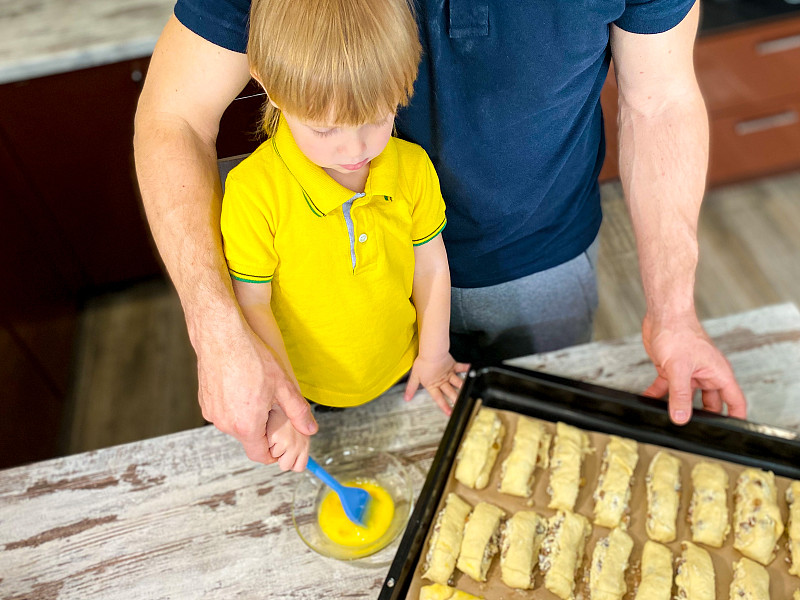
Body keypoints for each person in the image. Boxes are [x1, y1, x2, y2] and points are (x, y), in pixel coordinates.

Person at [134, 0, 747, 466]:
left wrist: (673, 311)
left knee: (531, 458)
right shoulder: (261, 195)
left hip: (542, 265)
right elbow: (174, 116)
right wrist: (218, 334)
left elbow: (661, 99)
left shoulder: (414, 177)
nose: (354, 147)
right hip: (330, 308)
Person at [220, 0, 467, 471]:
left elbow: (431, 264)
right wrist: (287, 403)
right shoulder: (254, 193)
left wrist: (435, 354)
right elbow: (252, 303)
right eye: (325, 128)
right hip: (309, 392)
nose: (355, 149)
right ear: (268, 85)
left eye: (377, 118)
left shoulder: (411, 168)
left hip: (405, 370)